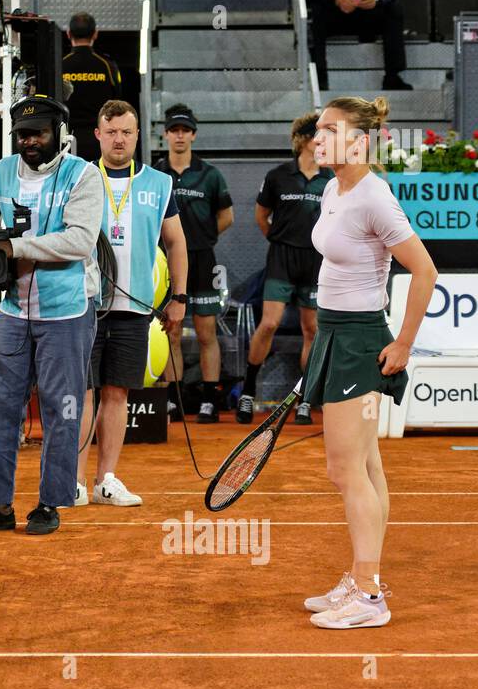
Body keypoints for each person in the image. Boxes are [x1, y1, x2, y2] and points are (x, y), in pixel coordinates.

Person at [303, 95, 437, 629]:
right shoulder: (334, 189)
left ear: (359, 142)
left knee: (343, 469)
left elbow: (424, 271)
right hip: (334, 332)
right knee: (367, 465)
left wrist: (402, 343)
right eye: (317, 130)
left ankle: (369, 596)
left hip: (360, 341)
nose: (317, 138)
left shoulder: (374, 197)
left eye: (329, 131)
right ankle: (363, 576)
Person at [0, 94, 103, 537]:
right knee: (2, 408)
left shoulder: (84, 175)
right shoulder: (1, 172)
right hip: (11, 310)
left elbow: (79, 241)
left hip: (68, 312)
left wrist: (14, 247)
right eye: (21, 134)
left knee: (62, 410)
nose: (28, 141)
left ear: (58, 134)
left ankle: (50, 502)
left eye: (37, 133)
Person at [75, 100, 187, 507]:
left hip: (135, 306)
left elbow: (176, 242)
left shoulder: (159, 183)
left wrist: (178, 297)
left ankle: (106, 479)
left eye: (127, 132)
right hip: (83, 304)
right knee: (82, 392)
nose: (119, 139)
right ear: (98, 135)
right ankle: (74, 481)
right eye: (112, 131)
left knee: (117, 393)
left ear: (138, 135)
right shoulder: (80, 176)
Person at [238, 112, 333, 427]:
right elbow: (261, 216)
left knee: (312, 329)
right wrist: (281, 242)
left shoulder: (331, 180)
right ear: (305, 140)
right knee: (269, 324)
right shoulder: (278, 175)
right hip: (281, 258)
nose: (325, 141)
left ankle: (305, 399)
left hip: (316, 260)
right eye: (320, 135)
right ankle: (248, 392)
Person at [154, 104, 233, 422]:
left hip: (202, 260)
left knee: (205, 332)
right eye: (174, 130)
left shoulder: (210, 174)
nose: (180, 136)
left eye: (185, 130)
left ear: (194, 135)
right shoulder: (156, 173)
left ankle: (209, 399)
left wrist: (201, 239)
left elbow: (226, 216)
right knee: (169, 332)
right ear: (166, 135)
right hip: (166, 261)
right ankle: (173, 400)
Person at [61, 11, 122, 163]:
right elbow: (118, 100)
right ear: (95, 34)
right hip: (100, 139)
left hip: (67, 140)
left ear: (68, 34)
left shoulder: (59, 65)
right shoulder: (107, 65)